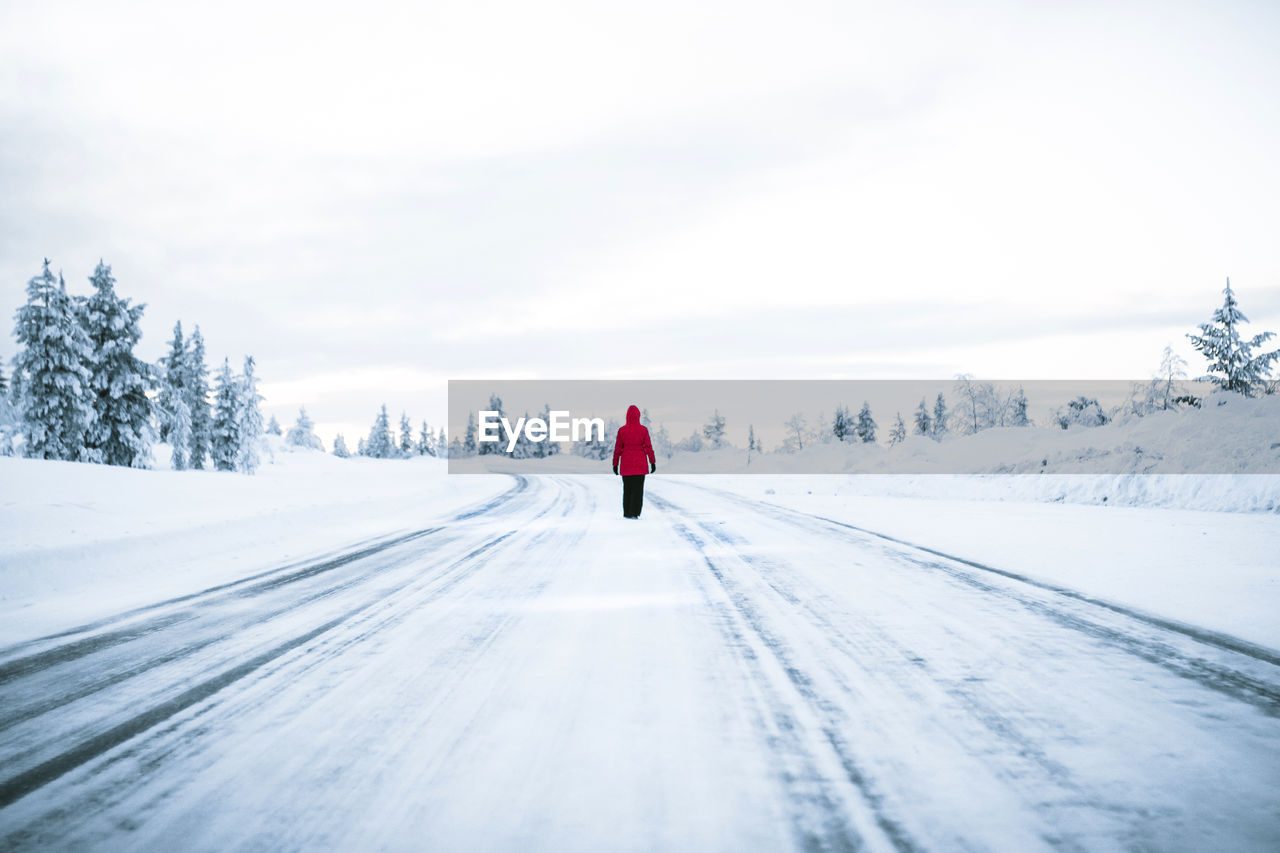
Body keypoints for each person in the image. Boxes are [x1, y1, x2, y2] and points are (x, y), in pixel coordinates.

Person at [612, 404, 656, 518]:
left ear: (627, 416)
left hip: (626, 466)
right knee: (638, 490)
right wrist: (652, 462)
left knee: (627, 490)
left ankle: (627, 512)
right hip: (640, 465)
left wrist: (615, 464)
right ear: (638, 416)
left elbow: (617, 449)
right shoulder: (643, 430)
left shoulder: (622, 431)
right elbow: (648, 447)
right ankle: (635, 512)